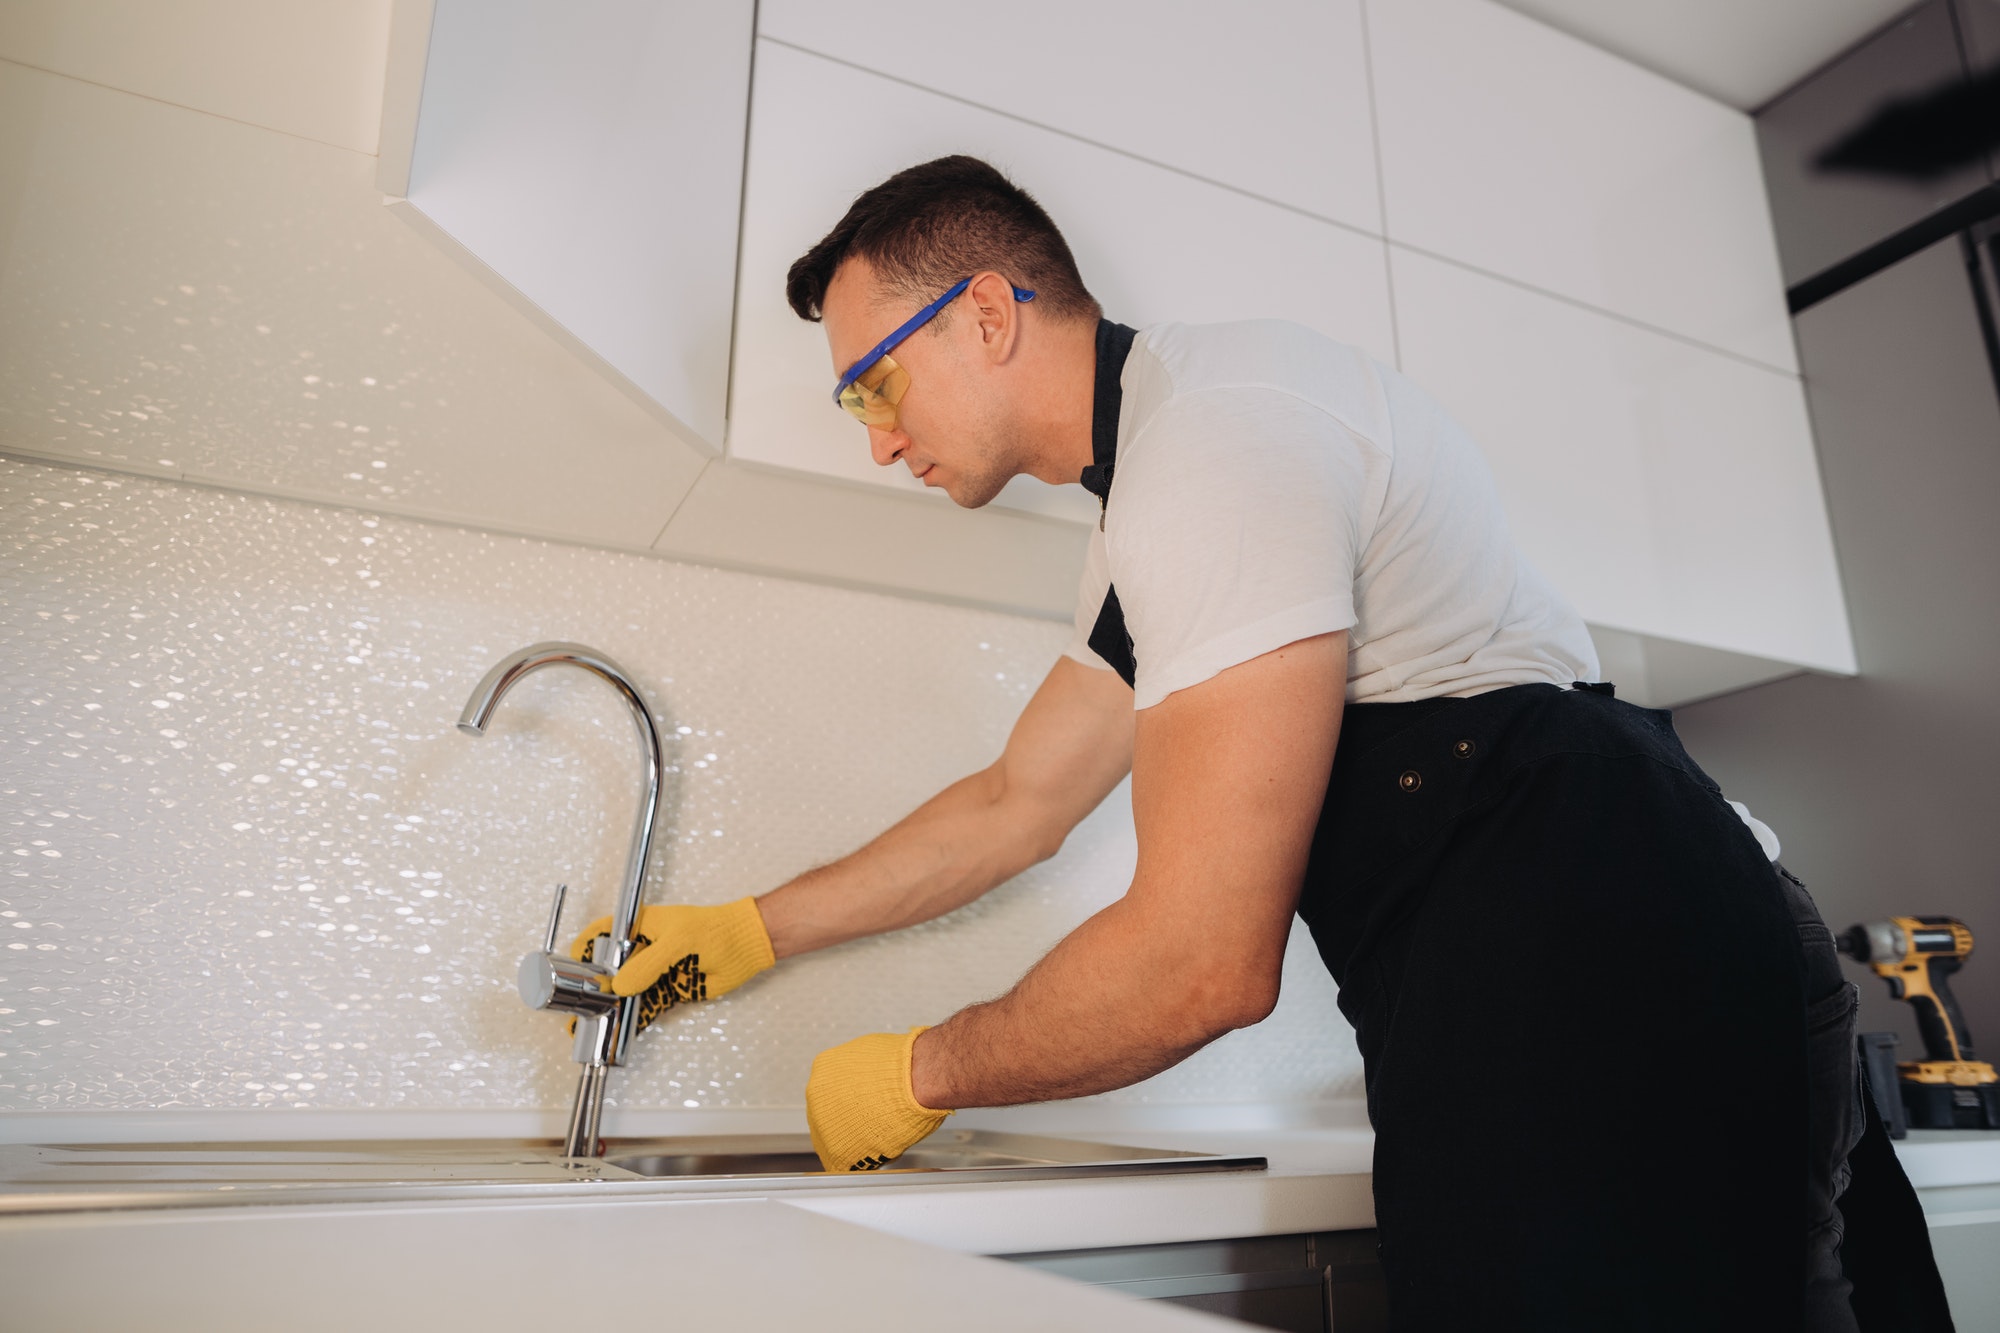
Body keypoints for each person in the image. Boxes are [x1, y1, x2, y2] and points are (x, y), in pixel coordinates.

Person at [572, 156, 1950, 1331]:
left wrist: (921, 1069)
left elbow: (1199, 961)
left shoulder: (1216, 449)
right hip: (1637, 943)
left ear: (988, 313)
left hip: (1627, 959)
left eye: (872, 388)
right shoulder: (1149, 511)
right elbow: (1015, 802)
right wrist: (748, 930)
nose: (878, 443)